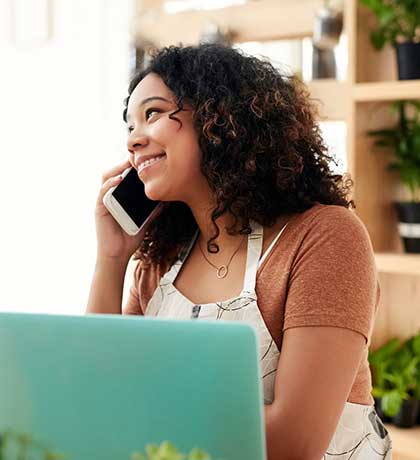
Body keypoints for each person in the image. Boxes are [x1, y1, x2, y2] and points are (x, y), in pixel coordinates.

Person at [86, 44, 392, 460]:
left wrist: (138, 408)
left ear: (218, 118)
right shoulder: (159, 265)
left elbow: (293, 442)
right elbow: (97, 397)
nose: (134, 140)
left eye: (153, 113)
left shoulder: (323, 238)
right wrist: (112, 258)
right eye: (130, 125)